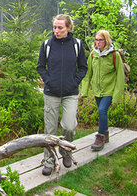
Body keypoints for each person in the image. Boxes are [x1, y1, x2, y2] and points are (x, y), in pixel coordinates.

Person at [37, 14, 88, 176]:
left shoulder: (77, 45)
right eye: (55, 27)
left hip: (70, 93)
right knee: (50, 129)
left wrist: (75, 82)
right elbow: (40, 67)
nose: (56, 31)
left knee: (69, 126)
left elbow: (83, 68)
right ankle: (49, 161)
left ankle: (66, 152)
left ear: (69, 28)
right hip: (51, 93)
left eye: (60, 28)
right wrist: (48, 81)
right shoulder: (47, 45)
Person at [81, 30, 125, 151]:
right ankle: (105, 134)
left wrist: (116, 95)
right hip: (97, 91)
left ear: (106, 40)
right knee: (103, 113)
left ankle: (100, 137)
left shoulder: (114, 55)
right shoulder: (93, 55)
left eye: (100, 40)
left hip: (109, 90)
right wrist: (84, 91)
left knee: (101, 111)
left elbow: (120, 76)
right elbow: (88, 73)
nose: (98, 42)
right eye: (96, 39)